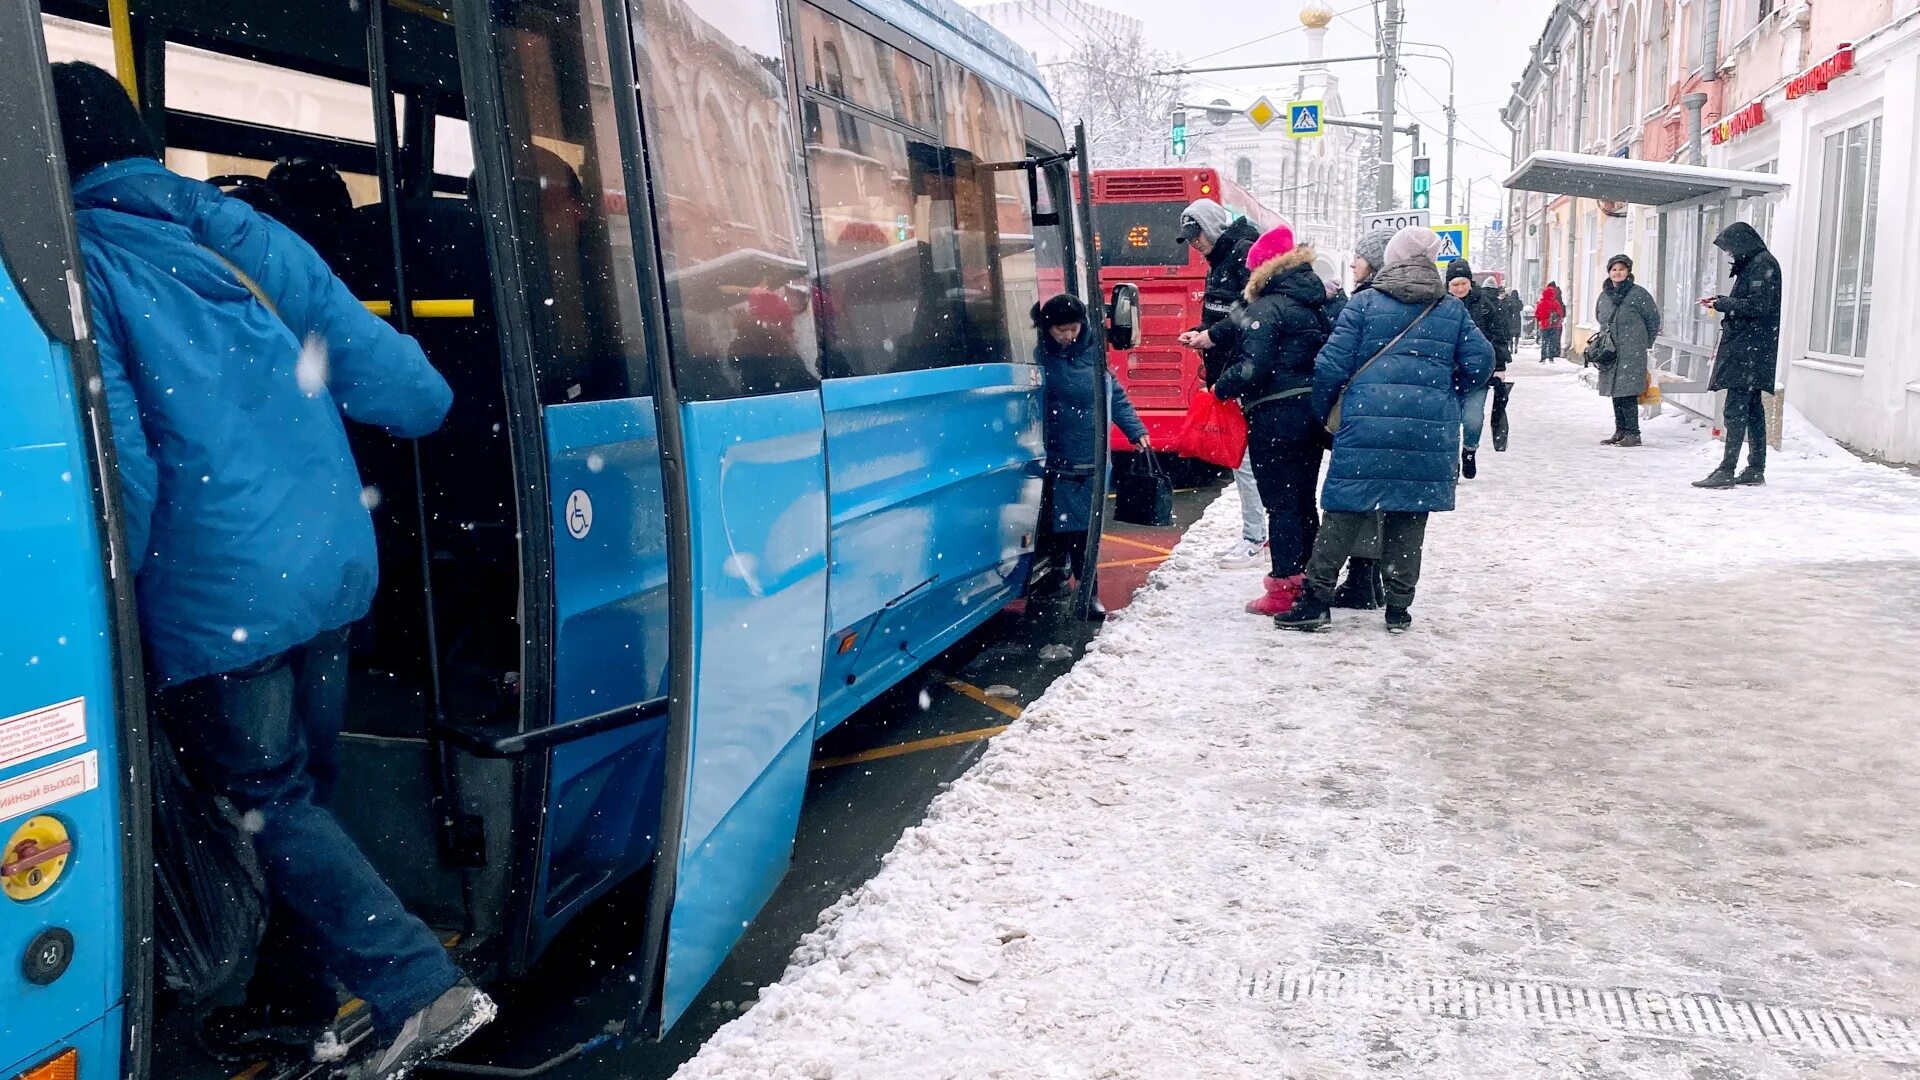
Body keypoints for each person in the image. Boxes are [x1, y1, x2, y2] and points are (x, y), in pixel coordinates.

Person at [52, 62, 492, 1080]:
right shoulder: (243, 234)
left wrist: (108, 604)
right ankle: (297, 1008)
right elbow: (414, 396)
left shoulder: (84, 263)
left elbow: (126, 470)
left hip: (219, 595)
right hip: (330, 570)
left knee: (271, 802)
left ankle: (420, 989)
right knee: (299, 804)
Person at [1276, 226, 1495, 633]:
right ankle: (1398, 608)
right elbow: (1481, 362)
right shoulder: (1450, 309)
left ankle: (1316, 602)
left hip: (1366, 423)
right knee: (1409, 516)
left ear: (1391, 259)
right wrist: (1444, 393)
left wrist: (1329, 410)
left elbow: (1329, 366)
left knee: (1344, 511)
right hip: (1428, 430)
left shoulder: (1364, 305)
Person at [1213, 223, 1331, 616]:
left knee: (1279, 505)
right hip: (1308, 414)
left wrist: (1220, 387)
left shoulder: (1267, 306)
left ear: (1264, 269)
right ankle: (1310, 580)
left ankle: (1283, 587)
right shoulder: (1311, 301)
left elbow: (1253, 368)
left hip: (1274, 415)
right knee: (1302, 502)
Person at [1034, 294, 1150, 609]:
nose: (1069, 336)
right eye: (1061, 330)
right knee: (1060, 526)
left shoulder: (1092, 352)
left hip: (1086, 456)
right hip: (1052, 455)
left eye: (1073, 328)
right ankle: (1067, 580)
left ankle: (1089, 593)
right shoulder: (1039, 358)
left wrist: (1136, 430)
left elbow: (1114, 394)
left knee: (1081, 531)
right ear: (1048, 329)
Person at [1172, 199, 1266, 568]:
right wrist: (1200, 331)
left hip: (1239, 374)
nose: (1195, 244)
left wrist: (1211, 336)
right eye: (1189, 239)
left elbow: (1250, 313)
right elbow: (1224, 314)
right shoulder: (1221, 261)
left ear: (1212, 227)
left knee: (1242, 460)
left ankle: (1254, 537)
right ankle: (1259, 534)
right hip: (1229, 369)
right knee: (1246, 460)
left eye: (1197, 236)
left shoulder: (1240, 256)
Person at [1694, 222, 1781, 488]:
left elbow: (1758, 306)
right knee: (1752, 409)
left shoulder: (1761, 264)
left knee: (1737, 409)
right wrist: (1722, 300)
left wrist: (1723, 304)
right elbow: (1753, 302)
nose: (1730, 255)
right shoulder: (1758, 262)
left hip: (1748, 350)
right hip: (1751, 350)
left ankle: (1727, 470)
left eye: (1731, 248)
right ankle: (1755, 468)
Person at [1446, 260, 1508, 479]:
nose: (1460, 288)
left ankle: (1469, 451)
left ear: (1470, 283)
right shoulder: (1440, 306)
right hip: (1446, 374)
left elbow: (1498, 337)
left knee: (1473, 419)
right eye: (1455, 284)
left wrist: (1499, 367)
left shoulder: (1485, 305)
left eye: (1463, 283)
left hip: (1477, 374)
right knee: (1449, 422)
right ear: (1447, 286)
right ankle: (1450, 461)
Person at [1594, 254, 1661, 448]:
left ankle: (1633, 433)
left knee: (1628, 392)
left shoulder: (1638, 294)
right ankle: (1620, 430)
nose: (1617, 273)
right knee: (1615, 391)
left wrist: (1644, 342)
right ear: (1609, 272)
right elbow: (1599, 317)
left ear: (1628, 272)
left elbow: (1653, 320)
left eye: (1621, 269)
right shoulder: (1604, 294)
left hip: (1632, 350)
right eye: (1614, 269)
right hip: (1610, 350)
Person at [1535, 281, 1566, 360]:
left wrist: (1540, 320)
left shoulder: (1541, 303)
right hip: (1554, 325)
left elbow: (1537, 314)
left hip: (1544, 325)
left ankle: (1543, 356)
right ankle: (1551, 356)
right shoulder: (1555, 302)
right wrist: (1558, 319)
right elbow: (1560, 313)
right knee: (1552, 341)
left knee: (1544, 341)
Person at [1500, 286, 1526, 355]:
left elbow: (1507, 309)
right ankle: (1516, 347)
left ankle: (1511, 348)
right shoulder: (1519, 302)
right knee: (1517, 334)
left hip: (1510, 319)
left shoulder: (1509, 301)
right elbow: (1521, 308)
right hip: (1517, 319)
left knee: (1510, 335)